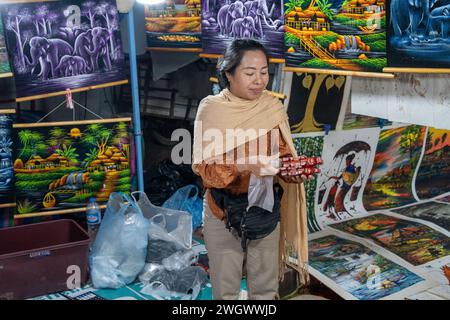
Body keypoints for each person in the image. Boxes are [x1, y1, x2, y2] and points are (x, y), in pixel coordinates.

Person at [192, 39, 309, 300]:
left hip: (265, 211)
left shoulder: (272, 107)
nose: (259, 80)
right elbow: (208, 172)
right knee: (225, 293)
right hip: (222, 212)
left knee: (265, 292)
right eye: (249, 73)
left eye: (264, 71)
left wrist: (294, 172)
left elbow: (283, 159)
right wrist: (247, 164)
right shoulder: (212, 110)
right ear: (228, 74)